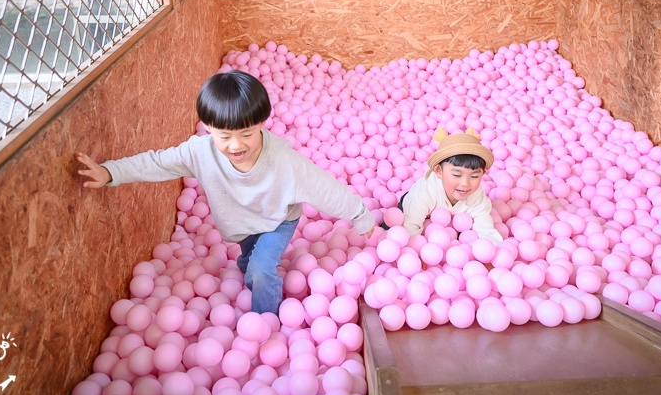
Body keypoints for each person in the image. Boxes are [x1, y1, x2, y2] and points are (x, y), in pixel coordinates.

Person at [77, 70, 376, 315]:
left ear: (261, 123)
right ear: (207, 127)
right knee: (247, 265)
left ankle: (266, 322)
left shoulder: (284, 162)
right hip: (241, 226)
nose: (236, 146)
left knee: (260, 270)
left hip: (276, 221)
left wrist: (360, 214)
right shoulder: (200, 153)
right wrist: (111, 172)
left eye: (247, 134)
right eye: (224, 136)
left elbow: (322, 187)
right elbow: (158, 163)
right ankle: (255, 274)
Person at [398, 128, 503, 244]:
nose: (465, 184)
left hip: (452, 219)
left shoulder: (477, 196)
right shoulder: (426, 192)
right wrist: (416, 252)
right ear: (439, 171)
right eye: (457, 174)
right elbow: (410, 226)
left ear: (483, 173)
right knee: (396, 222)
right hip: (415, 206)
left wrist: (491, 250)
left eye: (474, 176)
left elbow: (485, 228)